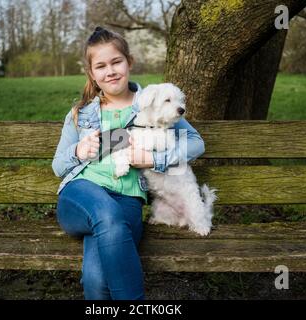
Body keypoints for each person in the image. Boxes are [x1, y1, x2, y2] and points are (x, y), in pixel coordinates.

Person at [51, 26, 205, 300]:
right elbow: (58, 165)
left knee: (98, 282)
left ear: (129, 63)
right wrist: (79, 149)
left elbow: (196, 142)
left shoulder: (155, 102)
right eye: (100, 66)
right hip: (80, 193)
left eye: (116, 62)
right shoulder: (80, 113)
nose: (110, 71)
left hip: (127, 199)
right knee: (107, 215)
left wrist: (154, 159)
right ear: (91, 73)